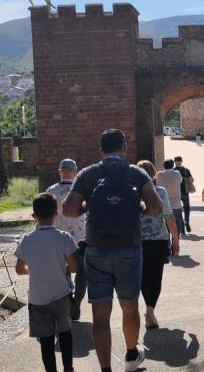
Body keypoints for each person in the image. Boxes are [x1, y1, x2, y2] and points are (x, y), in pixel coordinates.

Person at [63, 129, 163, 372]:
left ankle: (106, 368)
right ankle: (131, 356)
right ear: (124, 148)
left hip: (97, 249)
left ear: (100, 151)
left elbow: (69, 210)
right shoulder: (136, 173)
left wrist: (90, 204)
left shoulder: (88, 174)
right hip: (129, 248)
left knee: (100, 313)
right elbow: (156, 208)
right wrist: (137, 205)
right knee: (129, 306)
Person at [15, 193, 78, 372]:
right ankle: (68, 368)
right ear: (56, 214)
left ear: (34, 216)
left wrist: (34, 269)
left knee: (46, 340)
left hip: (38, 298)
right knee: (65, 334)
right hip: (61, 294)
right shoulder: (64, 237)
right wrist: (63, 267)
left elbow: (19, 269)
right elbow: (74, 267)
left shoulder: (26, 241)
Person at [137, 160, 180, 329]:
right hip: (159, 240)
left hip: (138, 241)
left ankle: (147, 304)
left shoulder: (133, 193)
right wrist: (176, 240)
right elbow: (169, 217)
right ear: (154, 174)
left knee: (143, 276)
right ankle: (150, 308)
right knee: (156, 276)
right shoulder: (159, 192)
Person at [46, 158, 87, 321]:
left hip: (57, 239)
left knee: (62, 272)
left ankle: (67, 299)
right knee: (83, 271)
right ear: (75, 172)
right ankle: (76, 301)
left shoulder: (50, 190)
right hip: (80, 238)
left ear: (60, 172)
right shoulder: (82, 190)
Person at [156, 159, 186, 237]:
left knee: (166, 228)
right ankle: (175, 242)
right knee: (177, 226)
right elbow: (180, 181)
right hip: (176, 204)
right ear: (173, 165)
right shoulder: (177, 174)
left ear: (163, 165)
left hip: (164, 205)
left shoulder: (159, 174)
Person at [174, 156, 194, 233]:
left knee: (178, 209)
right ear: (181, 161)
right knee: (186, 207)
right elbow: (191, 180)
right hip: (185, 191)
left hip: (176, 192)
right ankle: (187, 221)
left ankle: (182, 227)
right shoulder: (186, 170)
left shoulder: (173, 170)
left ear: (174, 162)